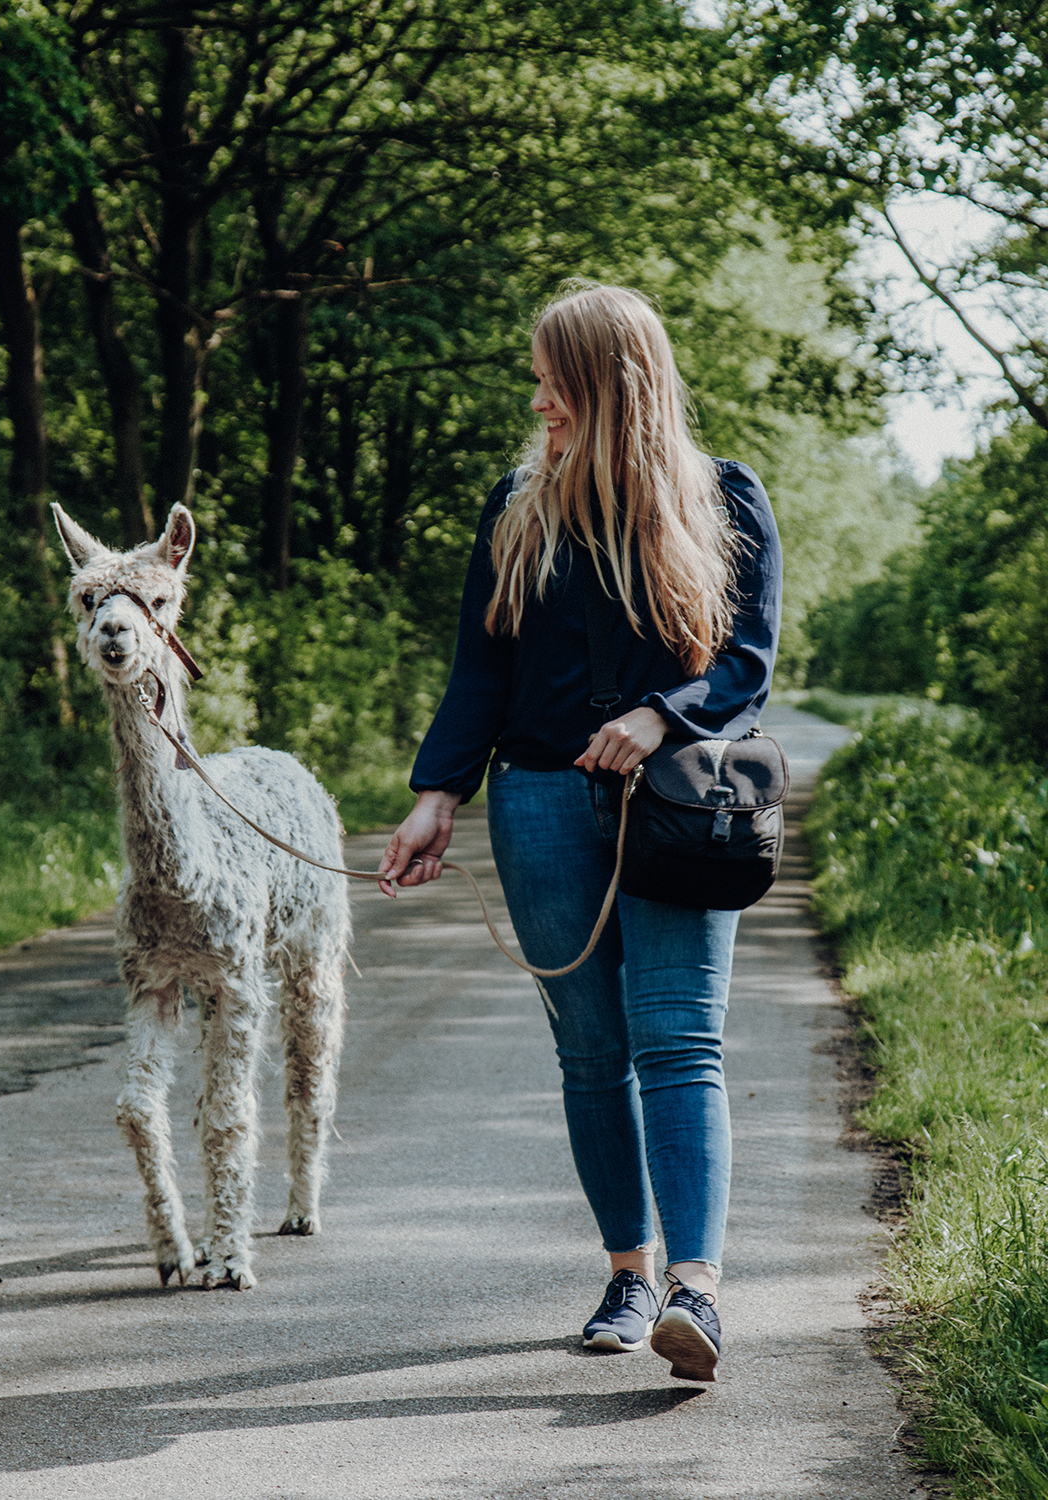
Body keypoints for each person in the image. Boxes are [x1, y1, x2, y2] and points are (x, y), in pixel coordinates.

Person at [376, 283, 781, 1383]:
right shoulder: (517, 505)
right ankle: (628, 1274)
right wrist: (437, 794)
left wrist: (661, 714)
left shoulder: (725, 500)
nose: (539, 395)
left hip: (682, 804)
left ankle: (697, 1289)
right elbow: (483, 666)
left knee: (678, 1039)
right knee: (592, 1055)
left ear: (610, 381)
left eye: (555, 375)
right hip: (541, 802)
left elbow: (747, 661)